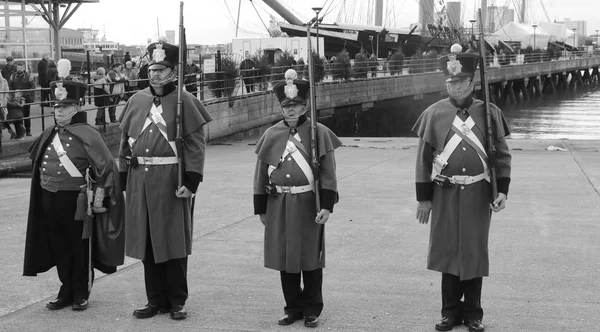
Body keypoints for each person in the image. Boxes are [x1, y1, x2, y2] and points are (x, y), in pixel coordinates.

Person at [412, 44, 512, 332]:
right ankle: (450, 313)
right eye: (451, 82)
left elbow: (502, 157)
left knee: (473, 253)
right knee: (448, 253)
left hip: (479, 195)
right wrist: (424, 200)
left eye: (461, 81)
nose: (455, 87)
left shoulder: (489, 112)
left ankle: (474, 314)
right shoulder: (433, 113)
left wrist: (502, 190)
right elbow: (423, 160)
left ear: (472, 82)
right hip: (445, 193)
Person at [118, 39, 212, 320]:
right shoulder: (137, 100)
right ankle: (154, 299)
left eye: (162, 69)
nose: (155, 74)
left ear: (173, 71)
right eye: (152, 69)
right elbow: (125, 143)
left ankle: (176, 300)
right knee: (147, 243)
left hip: (172, 180)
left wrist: (191, 181)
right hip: (140, 182)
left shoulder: (185, 101)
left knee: (173, 242)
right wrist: (124, 180)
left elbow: (196, 145)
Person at [23, 78, 125, 312]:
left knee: (79, 247)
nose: (59, 112)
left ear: (77, 107)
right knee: (58, 245)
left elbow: (106, 169)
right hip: (49, 198)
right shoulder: (49, 133)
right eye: (57, 107)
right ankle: (66, 289)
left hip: (77, 200)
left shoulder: (88, 134)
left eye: (65, 107)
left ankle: (80, 291)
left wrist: (101, 199)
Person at [253, 75, 342, 328]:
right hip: (278, 203)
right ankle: (292, 307)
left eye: (296, 105)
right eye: (286, 106)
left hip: (307, 203)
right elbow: (260, 174)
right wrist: (261, 208)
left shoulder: (319, 132)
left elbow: (328, 173)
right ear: (281, 108)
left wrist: (326, 205)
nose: (290, 109)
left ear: (304, 106)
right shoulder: (271, 134)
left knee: (310, 258)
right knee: (285, 258)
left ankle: (312, 308)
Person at [8, 61, 36, 136]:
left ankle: (28, 130)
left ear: (24, 68)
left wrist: (27, 94)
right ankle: (20, 132)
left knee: (26, 115)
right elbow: (9, 86)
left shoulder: (28, 76)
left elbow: (33, 87)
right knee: (18, 116)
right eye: (18, 68)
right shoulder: (12, 76)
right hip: (16, 99)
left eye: (21, 68)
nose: (19, 69)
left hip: (26, 98)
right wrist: (12, 95)